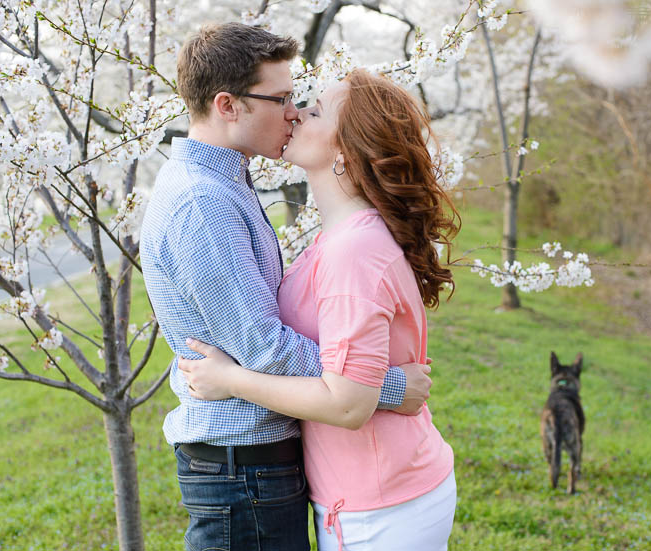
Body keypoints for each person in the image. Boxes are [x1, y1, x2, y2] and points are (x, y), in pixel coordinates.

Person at [139, 24, 432, 551]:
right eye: (280, 98)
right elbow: (265, 350)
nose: (293, 111)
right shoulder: (202, 205)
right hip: (243, 468)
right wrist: (384, 388)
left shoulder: (224, 182)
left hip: (254, 466)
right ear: (229, 106)